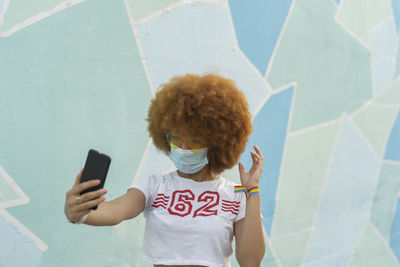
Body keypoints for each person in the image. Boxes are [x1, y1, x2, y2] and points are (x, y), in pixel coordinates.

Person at [65, 73, 265, 267]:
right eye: (177, 139)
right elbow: (115, 211)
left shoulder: (236, 196)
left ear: (217, 143)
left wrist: (253, 192)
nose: (184, 149)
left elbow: (251, 261)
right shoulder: (154, 186)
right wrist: (78, 211)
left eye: (195, 141)